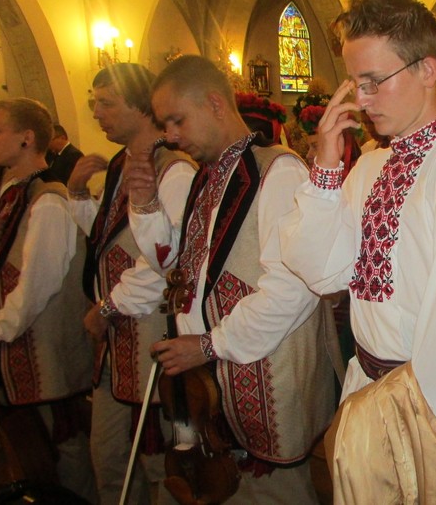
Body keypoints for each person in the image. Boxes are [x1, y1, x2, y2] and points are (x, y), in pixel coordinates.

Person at [280, 0, 436, 501]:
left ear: (427, 70)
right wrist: (326, 165)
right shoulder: (369, 167)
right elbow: (321, 271)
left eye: (373, 81)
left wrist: (419, 427)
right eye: (354, 84)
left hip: (431, 421)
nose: (362, 100)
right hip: (369, 393)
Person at [125, 54, 336, 504]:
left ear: (216, 104)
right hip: (210, 387)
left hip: (266, 386)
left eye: (177, 120)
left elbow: (293, 288)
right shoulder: (207, 177)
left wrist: (208, 344)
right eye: (165, 124)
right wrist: (144, 205)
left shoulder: (279, 170)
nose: (170, 136)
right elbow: (177, 266)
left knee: (274, 497)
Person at [66, 63, 197, 505]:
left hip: (149, 331)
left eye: (107, 102)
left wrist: (108, 307)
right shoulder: (122, 163)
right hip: (115, 336)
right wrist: (79, 194)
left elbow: (163, 262)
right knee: (109, 458)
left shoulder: (174, 171)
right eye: (94, 102)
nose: (96, 113)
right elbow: (107, 239)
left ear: (142, 106)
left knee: (158, 461)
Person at [0, 98, 96, 501]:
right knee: (30, 444)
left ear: (26, 138)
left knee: (63, 444)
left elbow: (37, 285)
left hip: (45, 344)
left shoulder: (48, 200)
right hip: (16, 339)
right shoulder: (10, 192)